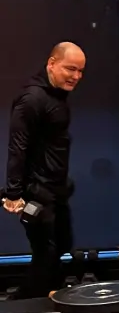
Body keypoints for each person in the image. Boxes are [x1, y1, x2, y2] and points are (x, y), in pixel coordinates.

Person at [2, 42, 86, 299]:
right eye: (70, 69)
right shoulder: (32, 99)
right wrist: (15, 193)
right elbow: (17, 146)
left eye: (80, 71)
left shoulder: (56, 95)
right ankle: (28, 304)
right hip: (36, 190)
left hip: (55, 187)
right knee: (46, 251)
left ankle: (49, 295)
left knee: (63, 243)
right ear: (51, 63)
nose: (76, 76)